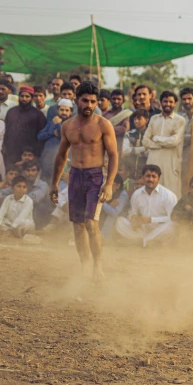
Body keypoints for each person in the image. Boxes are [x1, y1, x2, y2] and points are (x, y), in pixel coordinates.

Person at [50, 82, 119, 280]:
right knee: (77, 225)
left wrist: (109, 183)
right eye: (85, 100)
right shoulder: (68, 126)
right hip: (75, 176)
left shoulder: (103, 124)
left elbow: (114, 155)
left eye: (93, 101)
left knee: (90, 222)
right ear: (76, 100)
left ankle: (97, 266)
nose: (89, 104)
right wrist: (54, 184)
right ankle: (84, 266)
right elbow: (61, 156)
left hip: (95, 176)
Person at [114, 164, 178, 247]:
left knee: (172, 226)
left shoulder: (168, 195)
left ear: (158, 178)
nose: (150, 179)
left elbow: (172, 218)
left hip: (160, 229)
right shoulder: (137, 194)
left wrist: (151, 220)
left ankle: (143, 242)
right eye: (148, 176)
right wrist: (133, 219)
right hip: (142, 229)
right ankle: (147, 242)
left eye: (153, 176)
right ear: (143, 178)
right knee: (120, 221)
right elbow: (132, 212)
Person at [143, 91, 187, 198]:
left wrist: (156, 138)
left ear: (175, 103)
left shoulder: (180, 120)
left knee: (171, 193)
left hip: (171, 162)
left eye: (171, 102)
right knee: (152, 191)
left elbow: (174, 141)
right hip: (153, 159)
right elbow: (145, 141)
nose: (168, 104)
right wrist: (163, 143)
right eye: (165, 101)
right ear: (161, 102)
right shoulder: (154, 119)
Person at [1, 86, 46, 172]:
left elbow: (42, 137)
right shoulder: (11, 112)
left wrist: (36, 154)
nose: (24, 99)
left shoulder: (38, 115)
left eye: (27, 96)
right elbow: (6, 131)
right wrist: (4, 146)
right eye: (22, 96)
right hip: (11, 151)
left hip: (29, 154)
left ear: (32, 98)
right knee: (11, 175)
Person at [37, 99, 72, 184]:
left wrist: (58, 124)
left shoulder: (72, 124)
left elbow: (62, 137)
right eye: (61, 110)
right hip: (47, 159)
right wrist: (51, 133)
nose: (64, 112)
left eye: (66, 110)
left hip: (63, 162)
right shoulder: (52, 122)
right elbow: (40, 136)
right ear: (57, 110)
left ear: (70, 112)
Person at [123, 110, 150, 180]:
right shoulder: (129, 133)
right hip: (130, 170)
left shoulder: (150, 135)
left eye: (139, 119)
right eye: (135, 119)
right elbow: (125, 151)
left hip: (145, 171)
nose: (136, 121)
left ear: (146, 120)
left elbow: (150, 153)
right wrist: (143, 149)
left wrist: (132, 149)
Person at [104, 89, 130, 157]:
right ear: (110, 100)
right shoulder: (105, 115)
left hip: (121, 150)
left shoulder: (127, 114)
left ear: (123, 101)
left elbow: (124, 130)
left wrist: (106, 130)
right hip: (105, 150)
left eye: (119, 99)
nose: (116, 101)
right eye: (114, 99)